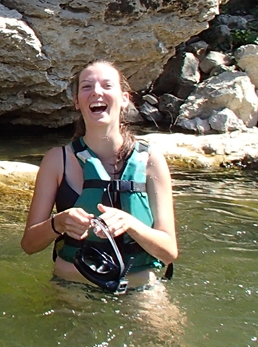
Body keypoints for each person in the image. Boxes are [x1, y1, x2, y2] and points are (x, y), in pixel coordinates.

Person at [21, 60, 177, 290]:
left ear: (124, 99)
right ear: (77, 102)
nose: (96, 92)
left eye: (107, 85)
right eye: (86, 86)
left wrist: (130, 224)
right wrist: (58, 222)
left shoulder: (150, 159)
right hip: (71, 287)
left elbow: (169, 251)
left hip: (139, 289)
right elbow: (29, 245)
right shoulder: (57, 160)